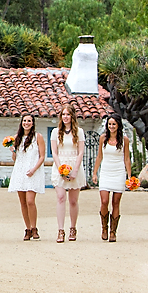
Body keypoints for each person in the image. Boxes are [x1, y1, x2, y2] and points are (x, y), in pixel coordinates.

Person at [92, 115, 131, 242]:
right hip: (106, 171)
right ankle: (104, 227)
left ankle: (113, 231)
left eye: (114, 124)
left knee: (116, 202)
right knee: (104, 201)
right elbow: (99, 156)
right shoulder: (103, 138)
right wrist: (95, 173)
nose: (112, 126)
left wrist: (129, 176)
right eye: (110, 124)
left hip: (118, 171)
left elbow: (126, 158)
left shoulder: (124, 140)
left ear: (118, 125)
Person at [51, 103, 85, 243]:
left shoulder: (79, 132)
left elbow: (80, 151)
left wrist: (75, 169)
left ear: (72, 116)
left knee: (73, 200)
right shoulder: (55, 131)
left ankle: (73, 227)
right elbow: (54, 151)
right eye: (63, 114)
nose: (65, 117)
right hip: (60, 164)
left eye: (68, 114)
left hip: (74, 163)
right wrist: (60, 169)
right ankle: (60, 230)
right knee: (60, 197)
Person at [8, 115, 46, 240]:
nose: (26, 123)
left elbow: (42, 156)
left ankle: (34, 227)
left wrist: (34, 169)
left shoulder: (37, 137)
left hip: (33, 171)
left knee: (30, 201)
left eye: (29, 121)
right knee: (23, 202)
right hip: (20, 171)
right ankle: (27, 229)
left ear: (33, 123)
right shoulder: (16, 138)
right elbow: (15, 159)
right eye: (24, 121)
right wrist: (13, 150)